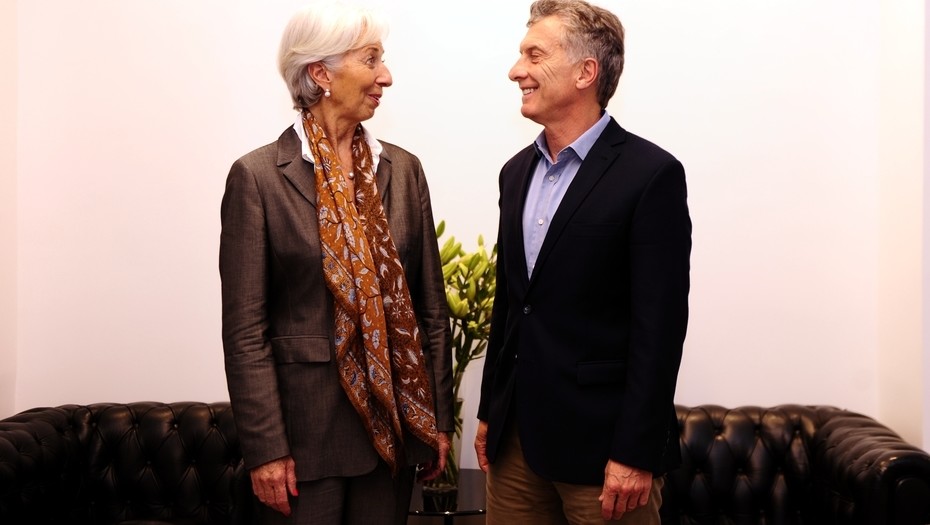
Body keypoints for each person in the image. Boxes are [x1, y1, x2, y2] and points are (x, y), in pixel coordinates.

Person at [219, 4, 453, 524]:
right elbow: (245, 330)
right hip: (305, 443)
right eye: (371, 59)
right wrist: (266, 448)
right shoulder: (257, 177)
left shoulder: (404, 170)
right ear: (320, 73)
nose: (385, 76)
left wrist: (436, 421)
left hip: (393, 432)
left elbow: (429, 308)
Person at [474, 1, 691, 524]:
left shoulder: (651, 175)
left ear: (585, 72)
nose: (515, 70)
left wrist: (636, 452)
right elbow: (510, 306)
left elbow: (659, 330)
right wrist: (489, 412)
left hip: (605, 454)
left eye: (534, 54)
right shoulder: (514, 173)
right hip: (516, 448)